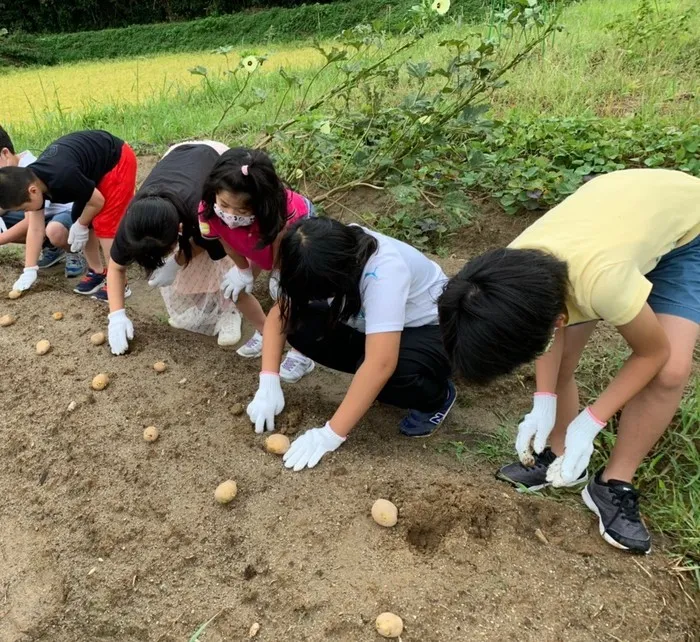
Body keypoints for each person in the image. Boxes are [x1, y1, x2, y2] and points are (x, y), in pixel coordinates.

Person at [438, 168, 700, 555]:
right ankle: (556, 451)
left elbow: (652, 352)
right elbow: (547, 338)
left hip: (686, 229)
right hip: (611, 220)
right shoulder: (509, 270)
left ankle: (613, 483)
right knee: (560, 365)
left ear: (556, 317)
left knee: (671, 371)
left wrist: (590, 423)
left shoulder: (602, 282)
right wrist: (543, 402)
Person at [246, 217, 456, 471]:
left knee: (389, 373)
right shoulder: (313, 250)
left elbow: (381, 363)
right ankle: (369, 378)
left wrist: (330, 434)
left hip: (431, 329)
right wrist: (268, 381)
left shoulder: (385, 273)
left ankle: (437, 397)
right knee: (301, 326)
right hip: (370, 324)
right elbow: (282, 312)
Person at [106, 140, 242, 354]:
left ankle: (230, 311)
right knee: (184, 264)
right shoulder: (134, 222)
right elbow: (115, 267)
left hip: (212, 158)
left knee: (214, 254)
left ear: (179, 229)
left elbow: (219, 248)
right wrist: (116, 316)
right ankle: (206, 308)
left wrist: (178, 261)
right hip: (177, 155)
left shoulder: (200, 209)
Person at [198, 147, 316, 382]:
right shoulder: (209, 210)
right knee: (234, 289)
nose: (230, 215)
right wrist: (242, 270)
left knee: (295, 298)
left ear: (260, 204)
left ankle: (302, 352)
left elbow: (277, 255)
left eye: (241, 210)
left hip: (288, 245)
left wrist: (280, 275)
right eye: (224, 204)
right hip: (253, 242)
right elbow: (226, 240)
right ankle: (267, 332)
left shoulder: (284, 216)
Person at [0, 129, 137, 298]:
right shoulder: (31, 182)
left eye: (23, 208)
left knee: (104, 223)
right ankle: (98, 271)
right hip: (89, 170)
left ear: (33, 191)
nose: (26, 212)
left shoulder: (62, 177)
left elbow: (97, 201)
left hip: (117, 160)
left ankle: (119, 284)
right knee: (79, 215)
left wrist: (81, 225)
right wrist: (29, 269)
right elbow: (35, 229)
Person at [0, 126, 85, 277]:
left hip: (67, 215)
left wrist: (1, 239)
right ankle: (52, 247)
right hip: (43, 217)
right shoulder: (9, 176)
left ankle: (73, 250)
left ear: (5, 153)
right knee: (5, 215)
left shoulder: (27, 172)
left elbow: (31, 223)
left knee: (55, 231)